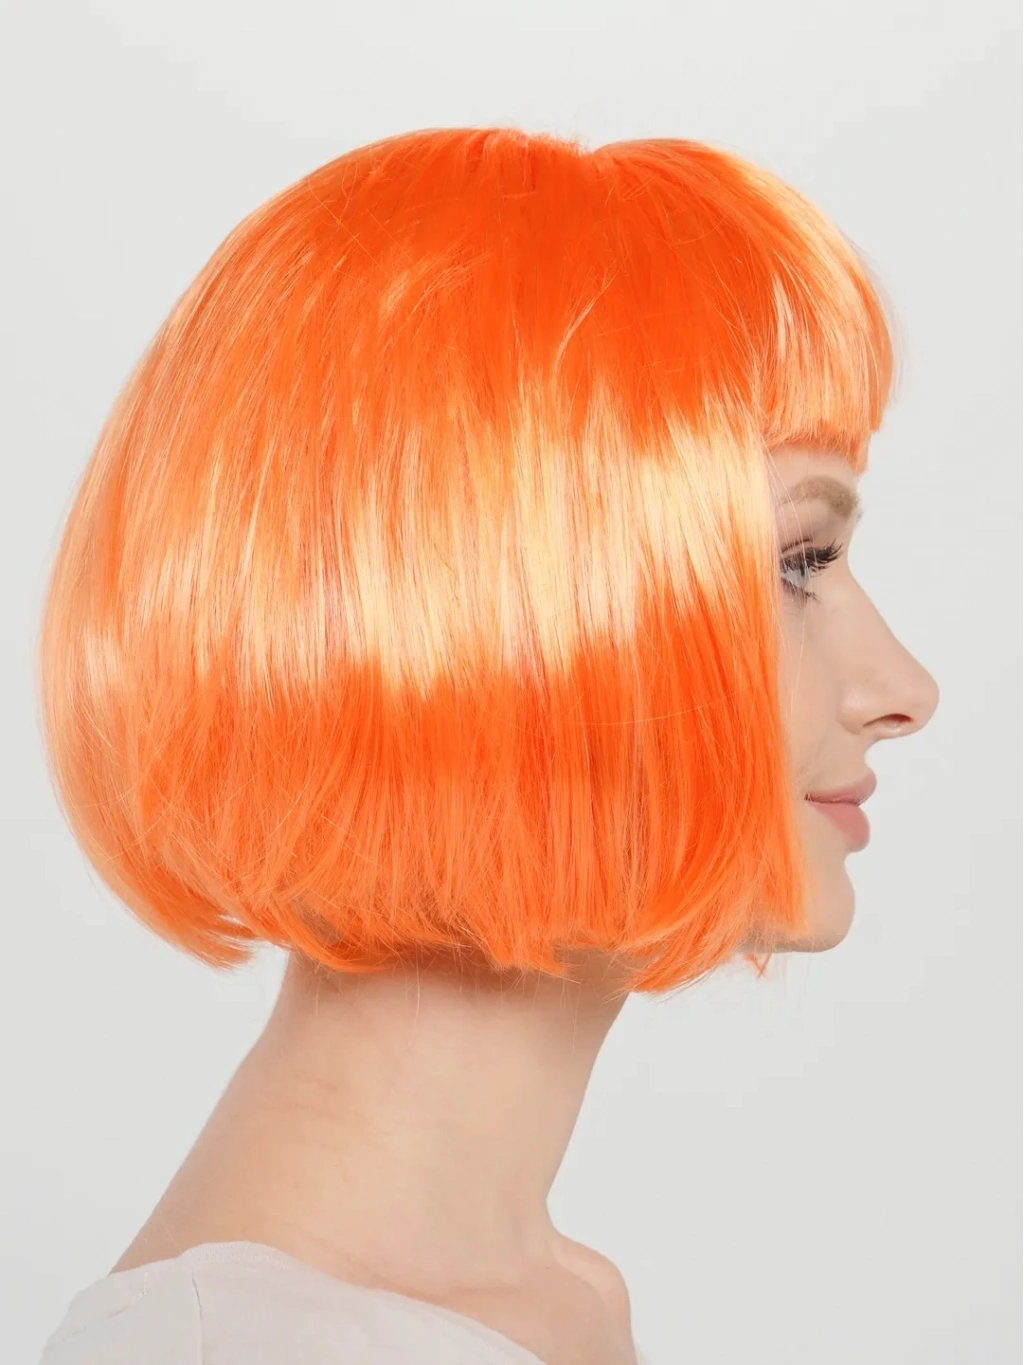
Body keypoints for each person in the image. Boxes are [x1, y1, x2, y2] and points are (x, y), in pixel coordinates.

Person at [35, 126, 939, 1365]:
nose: (903, 691)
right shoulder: (248, 1347)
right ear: (498, 621)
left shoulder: (541, 1301)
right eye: (797, 562)